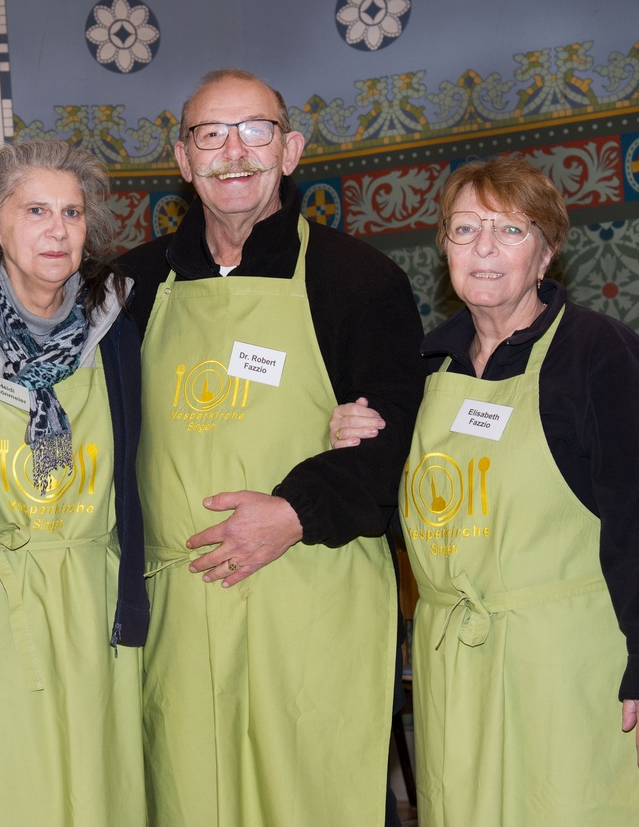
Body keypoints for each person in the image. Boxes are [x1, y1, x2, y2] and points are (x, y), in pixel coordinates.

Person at [329, 155, 639, 824]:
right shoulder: (422, 369)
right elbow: (398, 515)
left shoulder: (599, 353)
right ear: (444, 248)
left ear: (546, 251)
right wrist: (353, 442)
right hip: (452, 664)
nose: (485, 249)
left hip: (561, 660)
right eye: (466, 229)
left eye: (510, 230)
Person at [122, 69, 424, 826]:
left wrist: (294, 512)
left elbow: (398, 443)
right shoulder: (131, 286)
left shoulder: (361, 281)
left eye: (255, 131)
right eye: (210, 134)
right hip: (181, 615)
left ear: (289, 151)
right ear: (183, 159)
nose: (233, 152)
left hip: (309, 602)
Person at [0, 140, 148, 825]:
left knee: (101, 794)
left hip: (94, 601)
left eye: (72, 213)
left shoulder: (118, 327)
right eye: (36, 211)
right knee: (6, 793)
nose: (58, 230)